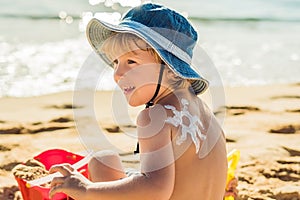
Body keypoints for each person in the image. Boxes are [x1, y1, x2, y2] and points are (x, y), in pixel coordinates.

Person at [49, 3, 231, 199]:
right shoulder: (207, 114)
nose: (118, 74)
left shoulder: (155, 116)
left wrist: (86, 189)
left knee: (99, 165)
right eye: (116, 62)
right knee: (103, 160)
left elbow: (156, 189)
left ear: (170, 69)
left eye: (131, 62)